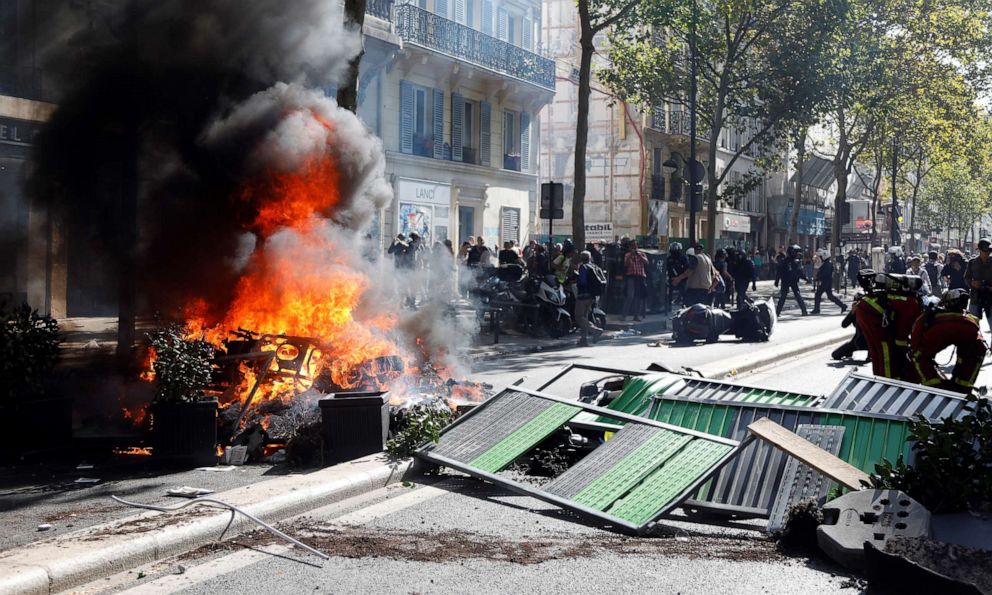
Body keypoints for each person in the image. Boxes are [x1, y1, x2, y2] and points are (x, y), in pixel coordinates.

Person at [908, 289, 988, 394]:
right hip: (971, 337)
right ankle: (962, 391)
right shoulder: (970, 318)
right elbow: (978, 341)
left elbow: (916, 340)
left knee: (920, 358)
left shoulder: (929, 315)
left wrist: (915, 352)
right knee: (970, 359)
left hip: (940, 331)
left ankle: (935, 391)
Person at [853, 270, 923, 380]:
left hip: (865, 310)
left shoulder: (908, 299)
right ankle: (889, 383)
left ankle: (879, 379)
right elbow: (903, 331)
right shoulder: (913, 305)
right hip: (871, 315)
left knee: (876, 350)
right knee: (886, 351)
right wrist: (901, 345)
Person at [575, 251, 605, 346]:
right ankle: (583, 340)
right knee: (585, 317)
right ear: (590, 258)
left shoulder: (583, 267)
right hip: (592, 296)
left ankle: (595, 330)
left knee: (579, 316)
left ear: (581, 258)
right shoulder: (594, 266)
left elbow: (582, 282)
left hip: (583, 295)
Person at [966, 238, 992, 330]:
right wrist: (972, 283)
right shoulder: (972, 262)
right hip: (975, 296)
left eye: (989, 250)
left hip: (990, 297)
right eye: (986, 250)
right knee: (972, 326)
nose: (988, 253)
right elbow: (966, 277)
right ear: (980, 250)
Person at [776, 245, 808, 316]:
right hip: (791, 280)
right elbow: (799, 272)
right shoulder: (789, 261)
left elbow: (799, 272)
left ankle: (777, 312)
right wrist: (805, 278)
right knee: (794, 295)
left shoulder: (787, 261)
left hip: (788, 281)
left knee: (785, 296)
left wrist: (777, 281)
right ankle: (804, 311)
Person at [621, 240, 648, 321]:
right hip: (631, 277)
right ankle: (624, 315)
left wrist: (639, 255)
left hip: (640, 277)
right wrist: (631, 255)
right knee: (630, 296)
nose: (634, 247)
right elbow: (626, 264)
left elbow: (646, 262)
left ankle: (636, 315)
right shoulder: (627, 255)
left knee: (638, 297)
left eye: (635, 245)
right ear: (630, 247)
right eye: (632, 246)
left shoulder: (642, 253)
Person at [666, 242, 688, 308]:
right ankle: (668, 306)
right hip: (672, 278)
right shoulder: (669, 258)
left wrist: (680, 278)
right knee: (669, 293)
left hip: (682, 279)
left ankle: (684, 306)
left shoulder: (683, 258)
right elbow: (667, 268)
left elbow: (686, 269)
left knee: (684, 293)